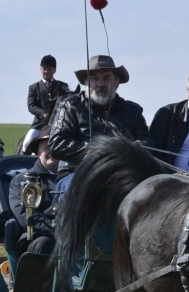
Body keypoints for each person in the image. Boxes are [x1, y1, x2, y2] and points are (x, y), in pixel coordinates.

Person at [49, 54, 153, 171]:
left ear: (117, 82)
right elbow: (56, 143)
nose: (101, 84)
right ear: (85, 82)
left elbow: (149, 143)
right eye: (94, 78)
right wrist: (89, 151)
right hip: (77, 172)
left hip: (123, 173)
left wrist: (138, 147)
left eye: (107, 78)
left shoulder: (133, 111)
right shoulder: (70, 106)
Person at [8, 125, 59, 255]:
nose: (52, 151)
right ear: (38, 152)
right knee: (45, 244)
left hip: (72, 233)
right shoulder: (21, 181)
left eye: (56, 146)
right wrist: (56, 229)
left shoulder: (73, 178)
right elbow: (25, 215)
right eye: (47, 147)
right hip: (37, 236)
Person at [23, 54, 72, 154]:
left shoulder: (62, 86)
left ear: (54, 70)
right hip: (39, 125)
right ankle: (23, 159)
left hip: (59, 124)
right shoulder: (34, 87)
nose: (46, 71)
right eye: (44, 69)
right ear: (40, 69)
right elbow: (31, 106)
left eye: (49, 69)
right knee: (26, 143)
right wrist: (42, 113)